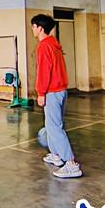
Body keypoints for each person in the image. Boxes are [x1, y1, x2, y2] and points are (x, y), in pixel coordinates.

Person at [31, 14, 82, 179]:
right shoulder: (54, 44)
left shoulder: (44, 46)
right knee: (52, 124)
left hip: (52, 91)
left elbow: (44, 72)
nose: (32, 29)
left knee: (54, 128)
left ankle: (71, 164)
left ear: (40, 28)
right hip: (61, 90)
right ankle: (56, 155)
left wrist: (41, 92)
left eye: (33, 26)